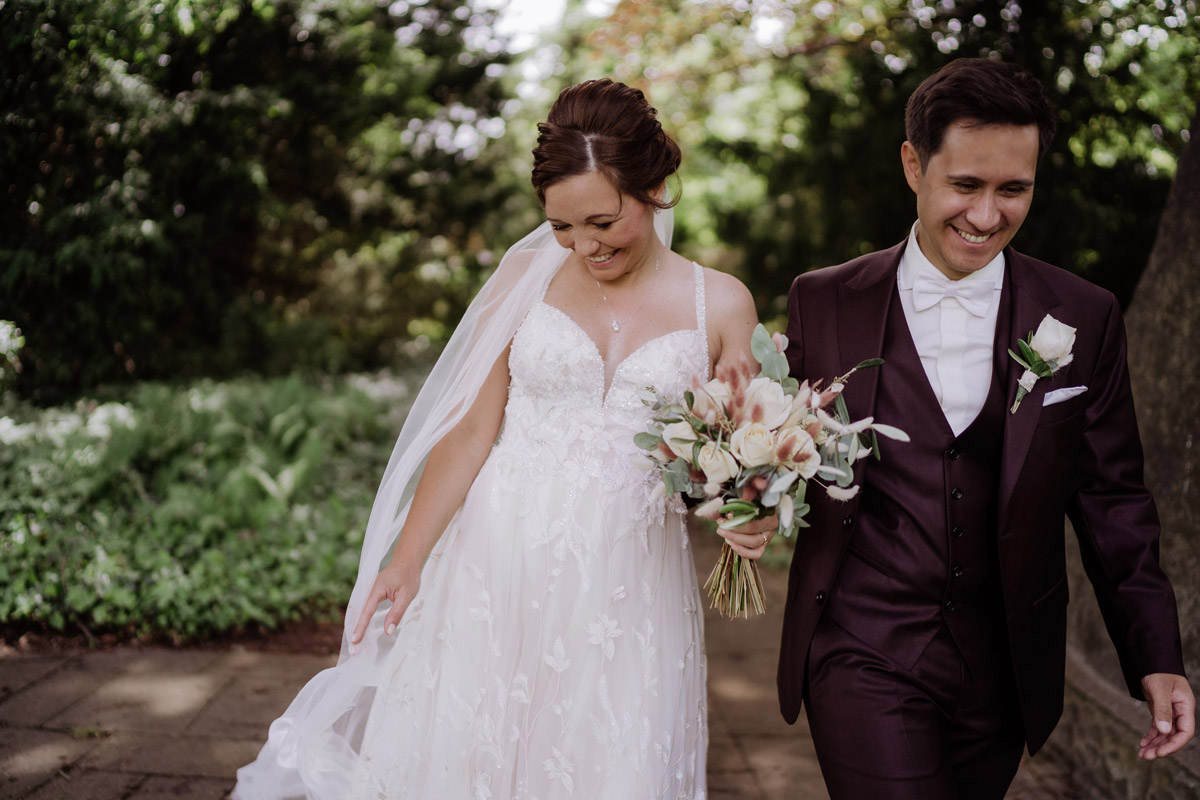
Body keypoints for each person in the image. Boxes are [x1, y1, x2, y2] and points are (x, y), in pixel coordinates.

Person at [232, 78, 765, 799]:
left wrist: (748, 509)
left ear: (656, 186)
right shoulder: (523, 276)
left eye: (602, 222)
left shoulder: (722, 303)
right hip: (495, 559)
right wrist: (409, 556)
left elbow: (734, 454)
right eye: (562, 227)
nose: (583, 246)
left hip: (627, 581)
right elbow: (471, 429)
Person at [726, 58, 1195, 800]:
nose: (986, 216)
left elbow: (1114, 502)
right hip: (862, 648)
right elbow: (783, 445)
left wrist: (1156, 657)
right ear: (914, 165)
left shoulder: (1085, 314)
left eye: (1014, 190)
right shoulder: (824, 301)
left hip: (1003, 662)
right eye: (966, 186)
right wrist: (746, 500)